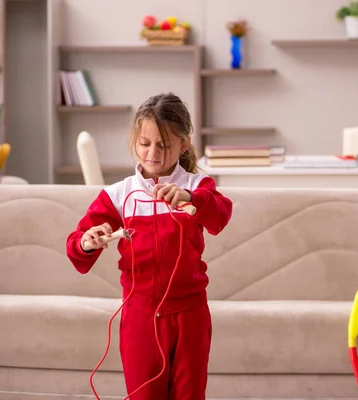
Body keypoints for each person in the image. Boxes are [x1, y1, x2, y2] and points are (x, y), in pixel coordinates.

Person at [66, 92, 233, 400]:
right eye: (145, 144)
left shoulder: (197, 186)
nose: (153, 153)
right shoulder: (119, 195)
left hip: (190, 315)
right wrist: (89, 241)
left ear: (183, 144)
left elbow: (221, 214)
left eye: (165, 145)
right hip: (140, 316)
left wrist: (190, 198)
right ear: (135, 141)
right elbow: (76, 245)